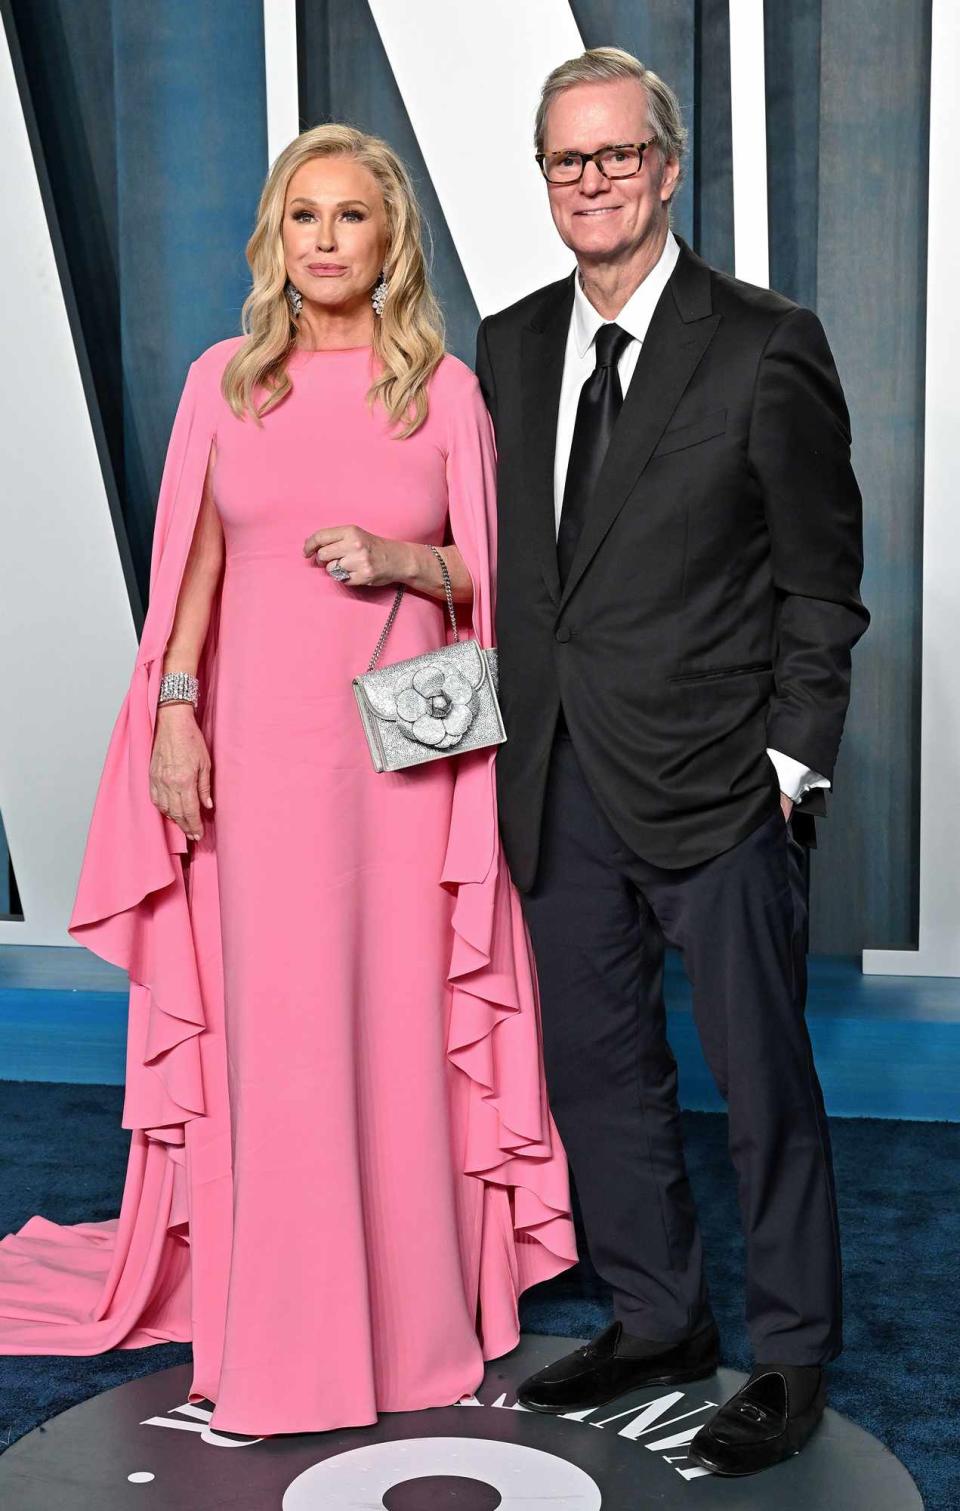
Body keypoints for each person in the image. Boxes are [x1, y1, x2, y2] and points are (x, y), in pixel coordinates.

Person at [0, 124, 575, 1437]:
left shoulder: (439, 390)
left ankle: (416, 1315)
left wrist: (402, 559)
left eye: (351, 217)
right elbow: (190, 572)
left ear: (390, 244)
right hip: (256, 753)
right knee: (282, 1031)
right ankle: (283, 1322)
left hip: (406, 759)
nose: (325, 238)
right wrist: (176, 718)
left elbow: (503, 586)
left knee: (396, 1018)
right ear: (277, 238)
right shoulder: (224, 382)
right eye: (303, 215)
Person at [474, 48, 869, 1477]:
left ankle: (789, 1352)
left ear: (665, 166)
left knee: (763, 1080)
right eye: (565, 161)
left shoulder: (767, 341)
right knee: (600, 1071)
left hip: (718, 783)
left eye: (614, 155)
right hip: (560, 776)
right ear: (549, 179)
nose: (591, 183)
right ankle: (657, 1319)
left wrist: (792, 761)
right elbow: (513, 569)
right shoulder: (508, 344)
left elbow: (825, 582)